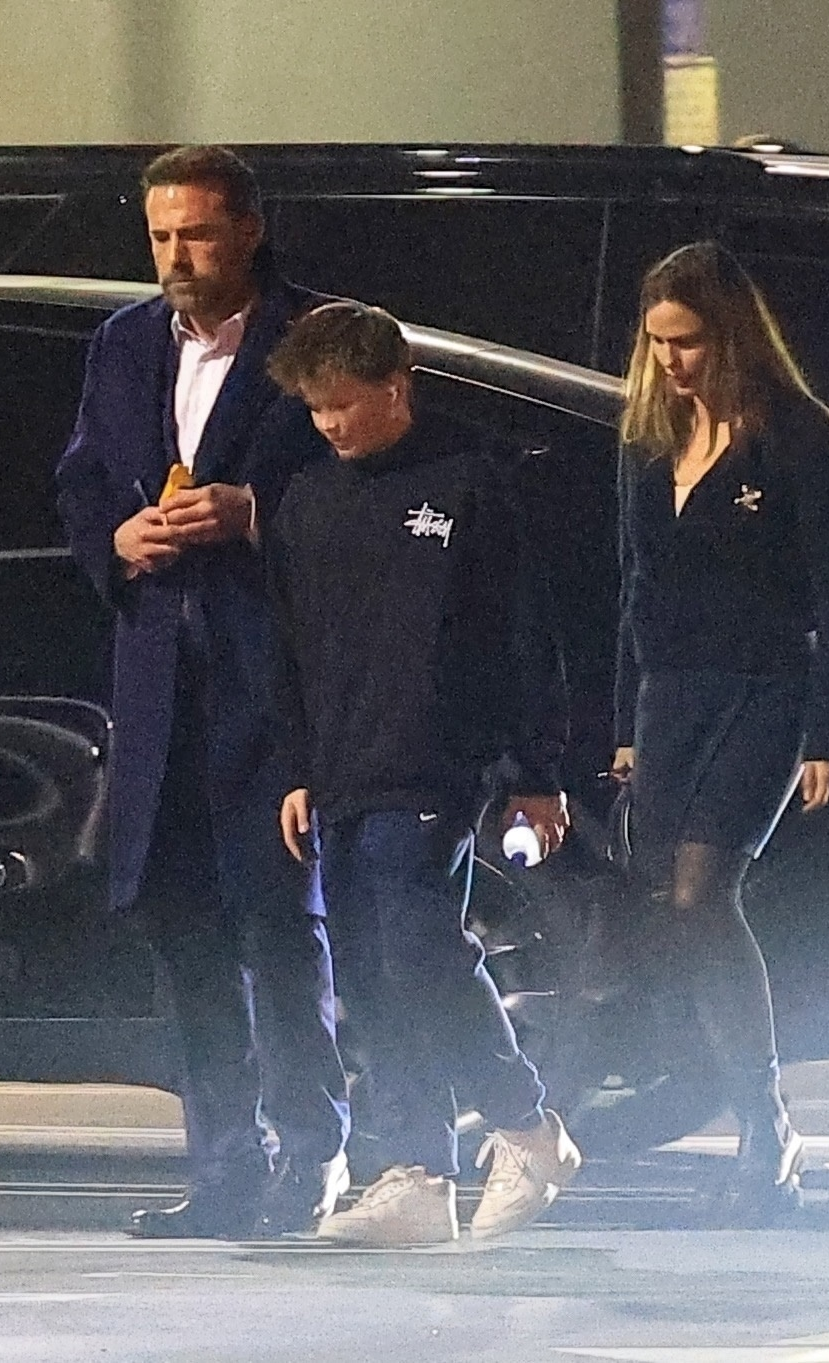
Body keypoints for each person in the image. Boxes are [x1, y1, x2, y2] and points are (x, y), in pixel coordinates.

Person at [55, 145, 349, 1239]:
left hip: (272, 678)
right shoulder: (125, 342)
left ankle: (311, 1156)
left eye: (198, 234)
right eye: (161, 236)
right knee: (181, 928)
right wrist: (116, 540)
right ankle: (224, 1166)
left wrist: (253, 513)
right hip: (158, 680)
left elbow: (360, 485)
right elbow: (82, 480)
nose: (177, 256)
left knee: (278, 926)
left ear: (249, 232)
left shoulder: (312, 335)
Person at [266, 301, 583, 1247]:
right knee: (367, 966)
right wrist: (297, 765)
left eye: (343, 403)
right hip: (341, 765)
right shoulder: (306, 499)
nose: (329, 423)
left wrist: (535, 771)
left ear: (395, 387)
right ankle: (414, 1169)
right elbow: (292, 646)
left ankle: (525, 1123)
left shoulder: (469, 484)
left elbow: (523, 635)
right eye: (315, 408)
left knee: (417, 947)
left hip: (435, 762)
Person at [612, 241, 829, 1219]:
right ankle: (713, 1093)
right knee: (664, 902)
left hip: (763, 689)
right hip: (669, 693)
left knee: (701, 893)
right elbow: (633, 588)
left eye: (686, 341)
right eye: (657, 342)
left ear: (729, 337)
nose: (670, 360)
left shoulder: (793, 431)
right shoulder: (646, 439)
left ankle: (764, 1128)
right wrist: (625, 721)